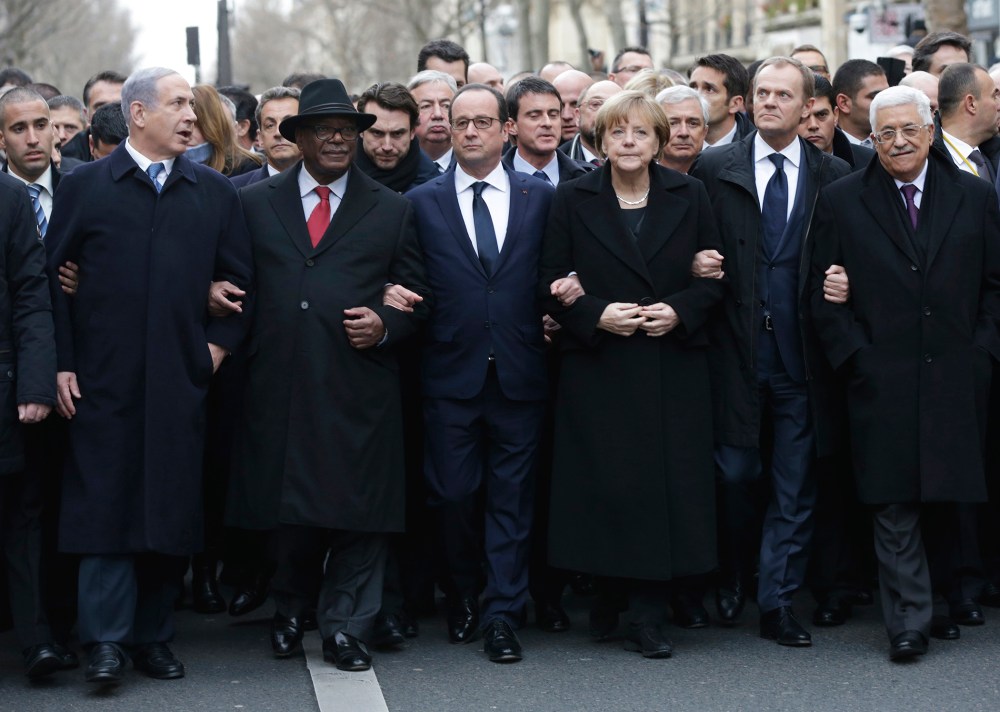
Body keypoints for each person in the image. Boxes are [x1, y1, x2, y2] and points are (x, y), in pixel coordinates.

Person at [45, 66, 253, 686]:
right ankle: (105, 642)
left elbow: (242, 286)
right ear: (137, 114)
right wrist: (61, 363)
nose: (191, 116)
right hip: (101, 381)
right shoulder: (86, 186)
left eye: (191, 104)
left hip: (177, 382)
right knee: (103, 508)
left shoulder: (213, 192)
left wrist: (211, 353)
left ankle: (154, 636)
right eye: (177, 104)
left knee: (170, 506)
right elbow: (51, 282)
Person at [227, 78, 430, 673]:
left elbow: (418, 295)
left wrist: (387, 323)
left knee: (361, 515)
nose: (338, 139)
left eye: (347, 130)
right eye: (324, 130)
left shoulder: (392, 208)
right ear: (300, 138)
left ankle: (346, 628)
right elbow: (230, 276)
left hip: (358, 387)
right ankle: (290, 609)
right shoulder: (253, 203)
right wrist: (215, 291)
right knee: (290, 512)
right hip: (280, 385)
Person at [809, 84, 1000, 661]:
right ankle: (907, 622)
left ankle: (939, 602)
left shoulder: (973, 194)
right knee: (892, 501)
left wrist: (982, 352)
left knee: (943, 495)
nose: (898, 142)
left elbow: (994, 285)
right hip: (880, 377)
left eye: (909, 130)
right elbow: (820, 296)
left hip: (955, 373)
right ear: (871, 139)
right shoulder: (842, 199)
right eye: (885, 132)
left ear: (931, 132)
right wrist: (856, 358)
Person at [539, 90, 726, 658]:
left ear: (658, 142)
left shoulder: (690, 193)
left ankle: (648, 614)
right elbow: (547, 280)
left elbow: (715, 278)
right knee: (607, 485)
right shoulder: (572, 197)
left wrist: (680, 310)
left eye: (641, 132)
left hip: (669, 366)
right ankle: (608, 595)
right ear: (600, 140)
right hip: (600, 367)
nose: (628, 142)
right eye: (617, 131)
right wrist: (596, 314)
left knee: (659, 490)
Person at [690, 56, 851, 646]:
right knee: (735, 473)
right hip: (734, 349)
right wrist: (694, 262)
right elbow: (689, 241)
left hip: (801, 356)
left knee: (794, 482)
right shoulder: (714, 168)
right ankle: (733, 569)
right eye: (762, 93)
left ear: (807, 106)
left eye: (783, 95)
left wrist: (847, 280)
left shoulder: (833, 173)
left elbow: (851, 250)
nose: (770, 103)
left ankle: (778, 600)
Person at [406, 83, 553, 664]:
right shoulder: (421, 202)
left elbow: (552, 270)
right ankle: (463, 591)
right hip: (449, 374)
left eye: (482, 122)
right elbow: (411, 277)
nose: (469, 131)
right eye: (460, 121)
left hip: (520, 372)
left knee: (512, 500)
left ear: (505, 129)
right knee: (452, 495)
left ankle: (502, 613)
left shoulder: (540, 198)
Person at [0, 160, 62, 680]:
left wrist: (36, 384)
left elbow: (30, 295)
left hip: (6, 384)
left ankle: (37, 639)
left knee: (22, 513)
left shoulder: (9, 198)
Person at [231, 86, 301, 188]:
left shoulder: (323, 185)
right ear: (260, 137)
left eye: (288, 124)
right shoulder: (236, 189)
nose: (278, 133)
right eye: (270, 125)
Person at [188, 85, 262, 177]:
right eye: (186, 123)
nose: (187, 132)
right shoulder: (175, 163)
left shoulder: (246, 168)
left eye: (197, 125)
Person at [689, 54, 752, 148]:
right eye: (693, 88)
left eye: (709, 89)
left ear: (735, 104)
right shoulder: (669, 142)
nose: (696, 96)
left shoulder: (755, 149)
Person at [656, 85, 710, 174]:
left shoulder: (716, 177)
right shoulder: (640, 178)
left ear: (705, 132)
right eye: (673, 123)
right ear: (656, 131)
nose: (684, 133)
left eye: (693, 123)